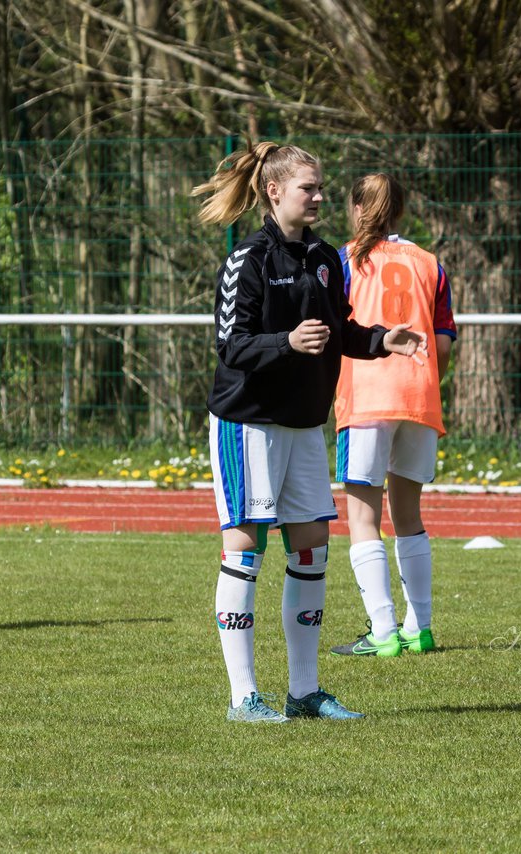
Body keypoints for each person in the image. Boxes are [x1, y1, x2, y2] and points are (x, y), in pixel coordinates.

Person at [192, 142, 427, 723]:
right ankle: (244, 696)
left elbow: (340, 328)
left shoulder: (326, 256)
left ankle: (305, 691)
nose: (320, 197)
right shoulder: (247, 259)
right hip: (248, 423)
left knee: (311, 549)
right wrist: (285, 343)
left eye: (321, 187)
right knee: (246, 549)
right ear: (274, 192)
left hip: (302, 427)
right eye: (309, 188)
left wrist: (379, 340)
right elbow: (230, 344)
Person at [328, 174, 455, 658]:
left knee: (363, 516)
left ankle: (382, 631)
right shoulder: (429, 263)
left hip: (365, 397)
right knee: (408, 515)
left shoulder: (344, 260)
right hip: (419, 396)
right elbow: (442, 342)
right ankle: (419, 628)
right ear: (400, 213)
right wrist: (422, 380)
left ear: (358, 209)